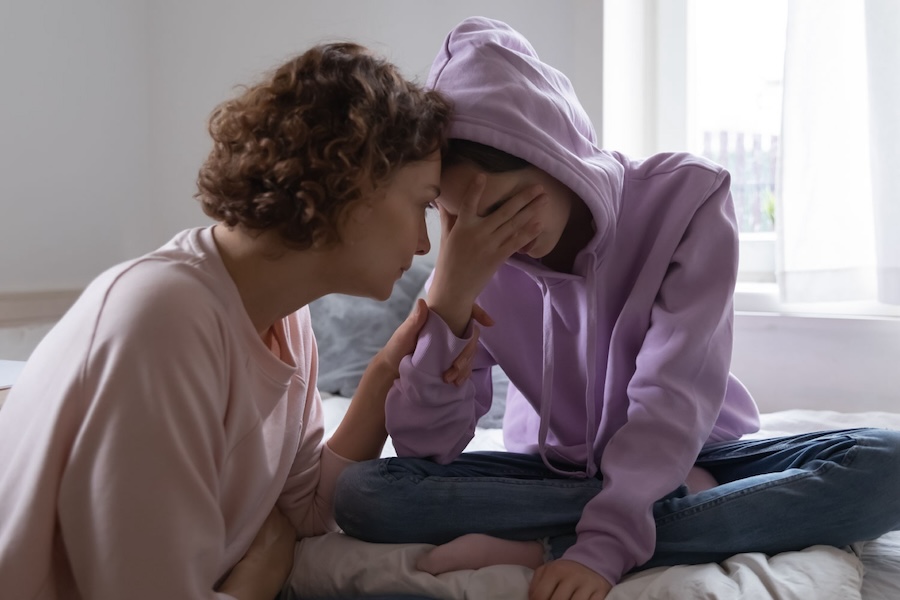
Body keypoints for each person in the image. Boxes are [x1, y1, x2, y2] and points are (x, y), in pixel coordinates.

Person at [332, 16, 900, 600]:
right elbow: (429, 450)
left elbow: (670, 397)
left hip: (700, 449)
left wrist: (598, 550)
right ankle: (681, 510)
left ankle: (546, 541)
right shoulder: (472, 259)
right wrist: (448, 302)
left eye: (503, 207)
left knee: (891, 464)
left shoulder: (688, 202)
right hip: (554, 472)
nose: (492, 238)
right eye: (459, 219)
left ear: (553, 156)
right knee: (365, 495)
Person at [0, 42, 479, 600]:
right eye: (422, 205)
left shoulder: (288, 323)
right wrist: (262, 570)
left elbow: (309, 508)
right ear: (353, 180)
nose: (424, 244)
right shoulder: (163, 320)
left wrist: (387, 370)